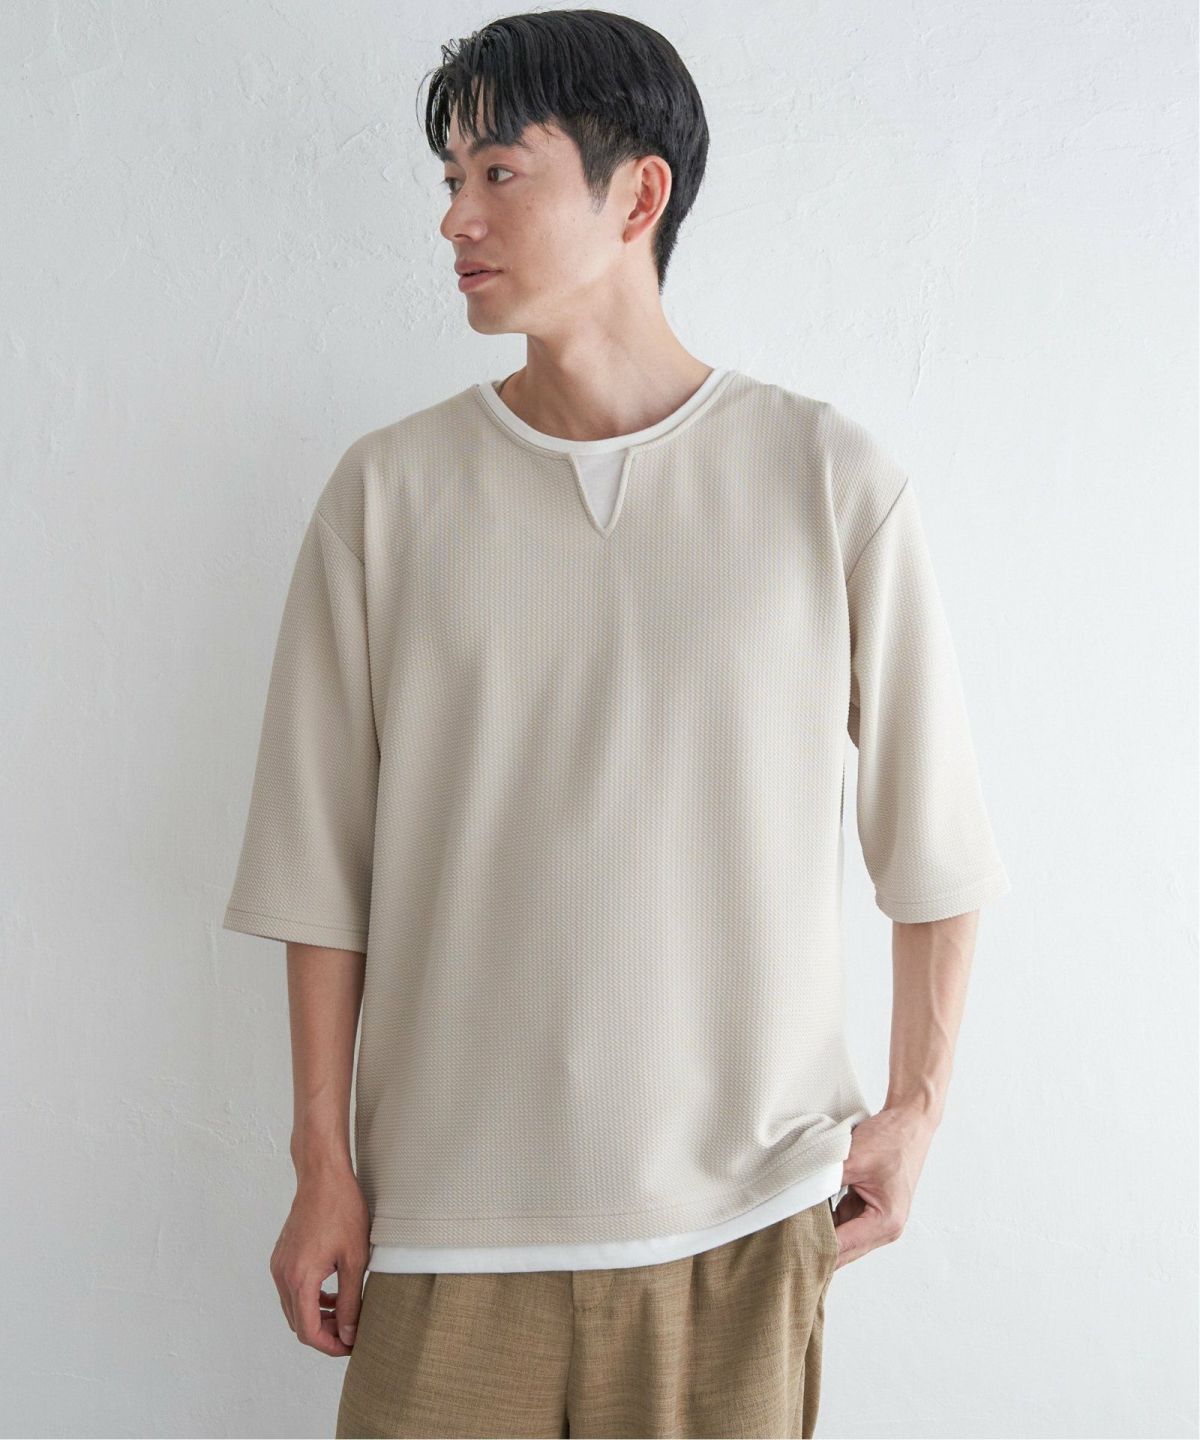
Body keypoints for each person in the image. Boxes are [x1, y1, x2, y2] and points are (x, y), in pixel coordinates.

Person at [221, 10, 1011, 1438]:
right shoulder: (386, 497)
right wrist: (320, 1162)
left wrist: (917, 1108)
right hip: (447, 1229)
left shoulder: (825, 479)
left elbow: (936, 844)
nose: (454, 217)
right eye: (449, 178)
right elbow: (316, 869)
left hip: (741, 1225)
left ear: (637, 194)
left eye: (497, 173)